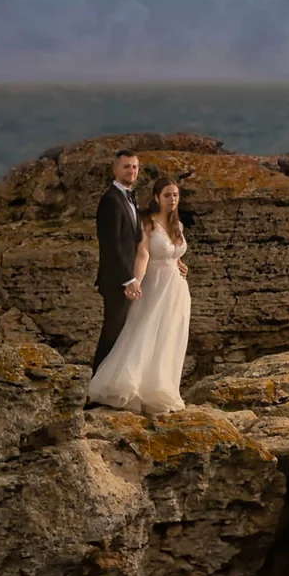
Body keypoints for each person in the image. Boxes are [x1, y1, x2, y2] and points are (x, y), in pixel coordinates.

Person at [86, 177, 190, 414]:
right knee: (144, 330)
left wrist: (181, 264)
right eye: (167, 195)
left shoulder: (178, 225)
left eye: (175, 195)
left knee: (168, 337)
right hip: (154, 285)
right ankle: (127, 385)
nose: (172, 199)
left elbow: (173, 254)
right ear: (156, 197)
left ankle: (160, 389)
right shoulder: (147, 223)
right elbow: (143, 254)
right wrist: (136, 282)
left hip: (177, 290)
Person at [93, 150, 143, 366]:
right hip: (116, 280)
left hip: (129, 278)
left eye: (134, 167)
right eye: (126, 166)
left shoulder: (130, 197)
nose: (131, 171)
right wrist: (128, 279)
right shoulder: (110, 200)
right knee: (112, 332)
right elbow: (111, 245)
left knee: (125, 334)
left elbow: (136, 239)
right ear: (115, 170)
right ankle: (95, 387)